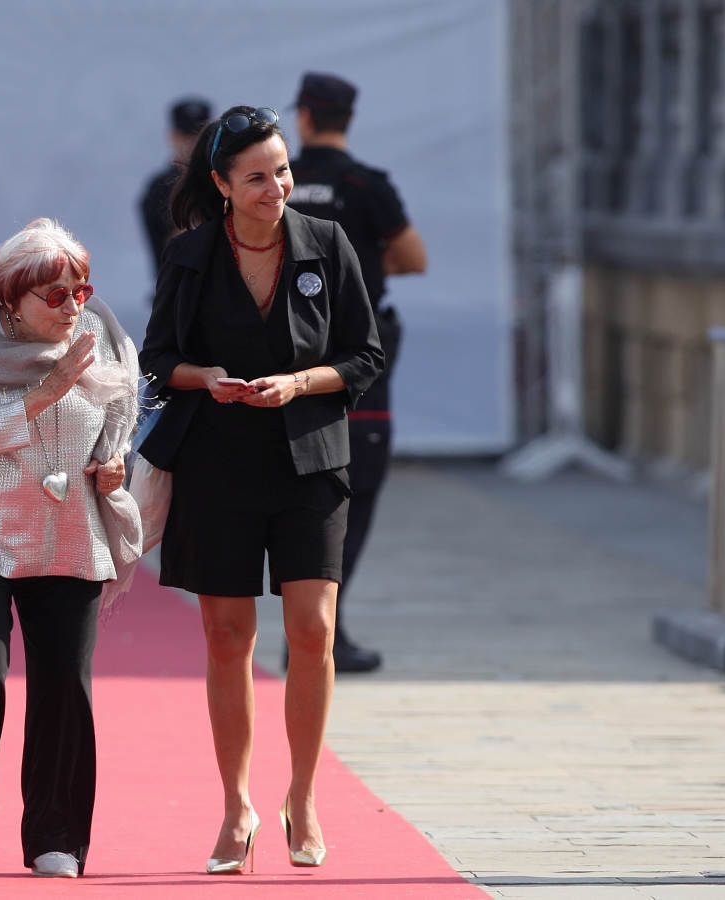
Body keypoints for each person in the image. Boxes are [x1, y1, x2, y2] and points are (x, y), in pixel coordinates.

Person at [138, 105, 383, 875]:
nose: (275, 186)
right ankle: (236, 803)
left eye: (282, 171)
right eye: (256, 176)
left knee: (311, 627)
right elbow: (157, 359)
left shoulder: (327, 243)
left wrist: (298, 383)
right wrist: (204, 378)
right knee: (227, 638)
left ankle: (302, 796)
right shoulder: (191, 254)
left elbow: (363, 354)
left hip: (311, 459)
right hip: (217, 463)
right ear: (220, 185)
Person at [0, 220, 140, 878]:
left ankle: (58, 838)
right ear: (11, 302)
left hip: (66, 532)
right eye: (55, 294)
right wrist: (46, 394)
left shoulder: (97, 351)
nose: (73, 306)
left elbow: (113, 425)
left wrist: (113, 464)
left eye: (80, 291)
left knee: (66, 683)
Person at [287, 72, 427, 674]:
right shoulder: (366, 186)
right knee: (358, 486)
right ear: (347, 118)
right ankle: (327, 627)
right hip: (357, 362)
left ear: (305, 118)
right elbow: (413, 258)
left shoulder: (277, 182)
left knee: (295, 491)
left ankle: (305, 627)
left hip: (290, 357)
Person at [139, 96, 212, 277]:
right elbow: (166, 252)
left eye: (199, 134)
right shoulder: (158, 190)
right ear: (172, 136)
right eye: (187, 135)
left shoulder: (229, 179)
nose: (193, 142)